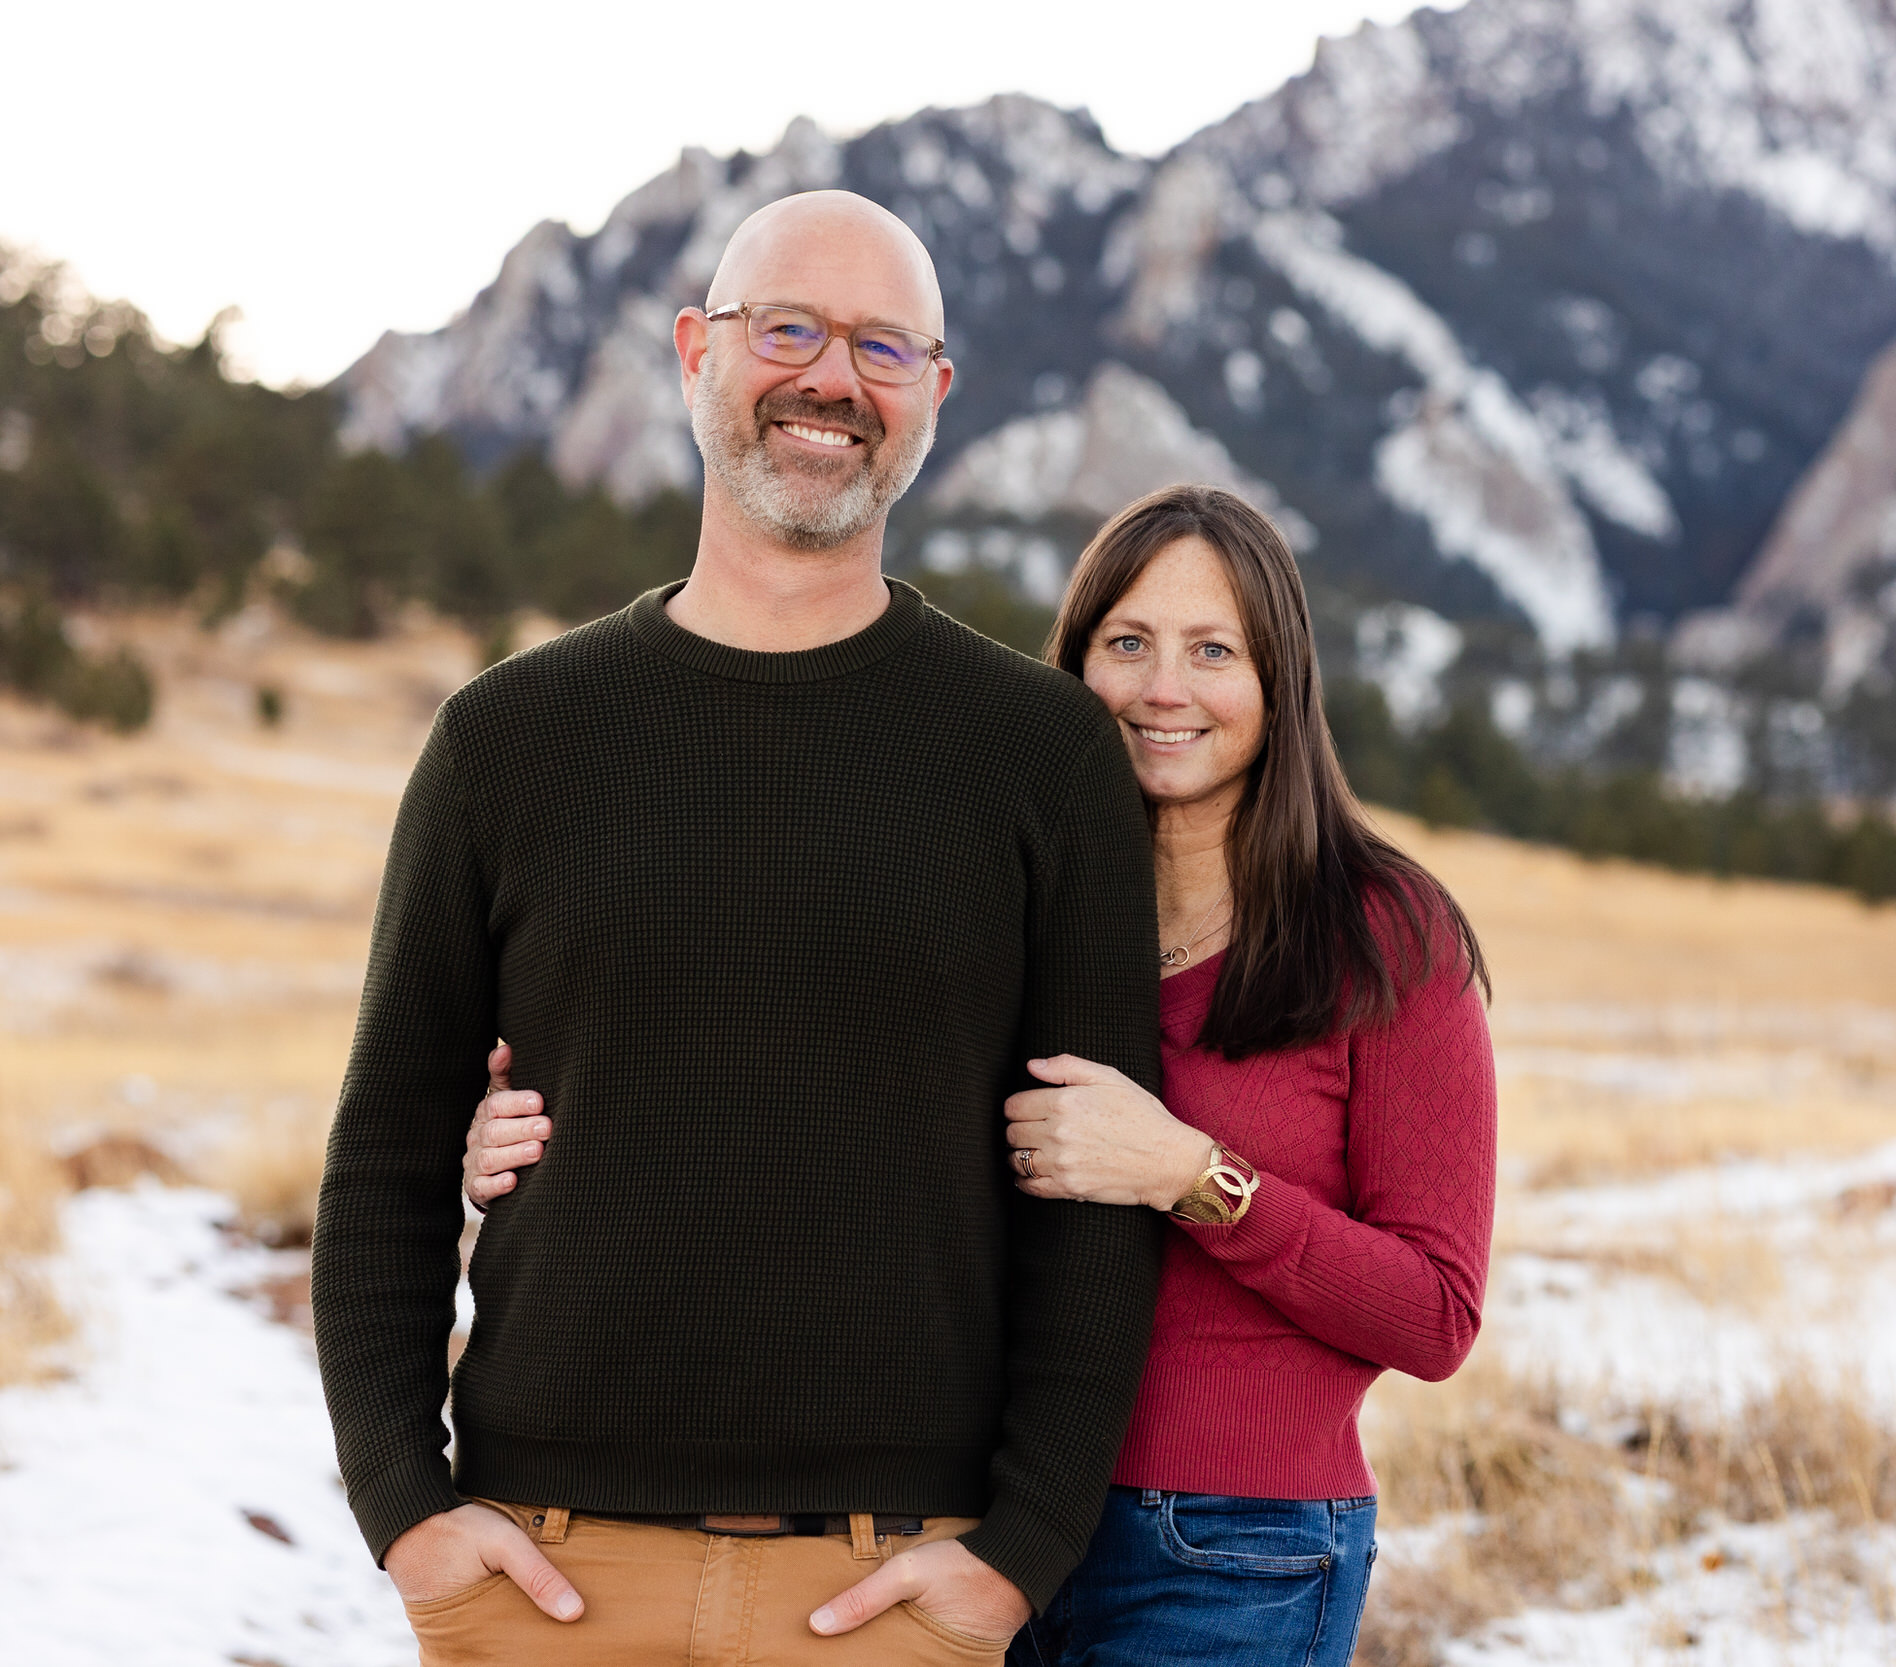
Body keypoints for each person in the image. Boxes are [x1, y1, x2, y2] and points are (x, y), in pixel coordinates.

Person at [311, 190, 1169, 1667]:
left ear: (936, 393)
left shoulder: (1039, 753)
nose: (832, 379)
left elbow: (1091, 1193)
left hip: (892, 1585)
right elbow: (387, 1150)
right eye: (790, 329)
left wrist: (1019, 1555)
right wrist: (406, 1505)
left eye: (884, 347)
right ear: (696, 350)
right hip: (546, 1581)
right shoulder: (510, 739)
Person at [465, 483, 1501, 1666]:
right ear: (1073, 663)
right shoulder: (996, 893)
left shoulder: (1385, 937)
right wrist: (547, 1131)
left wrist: (1192, 1173)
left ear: (1280, 681)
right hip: (962, 1520)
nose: (1166, 687)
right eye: (1128, 643)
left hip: (1227, 1546)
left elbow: (1435, 1312)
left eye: (1214, 650)